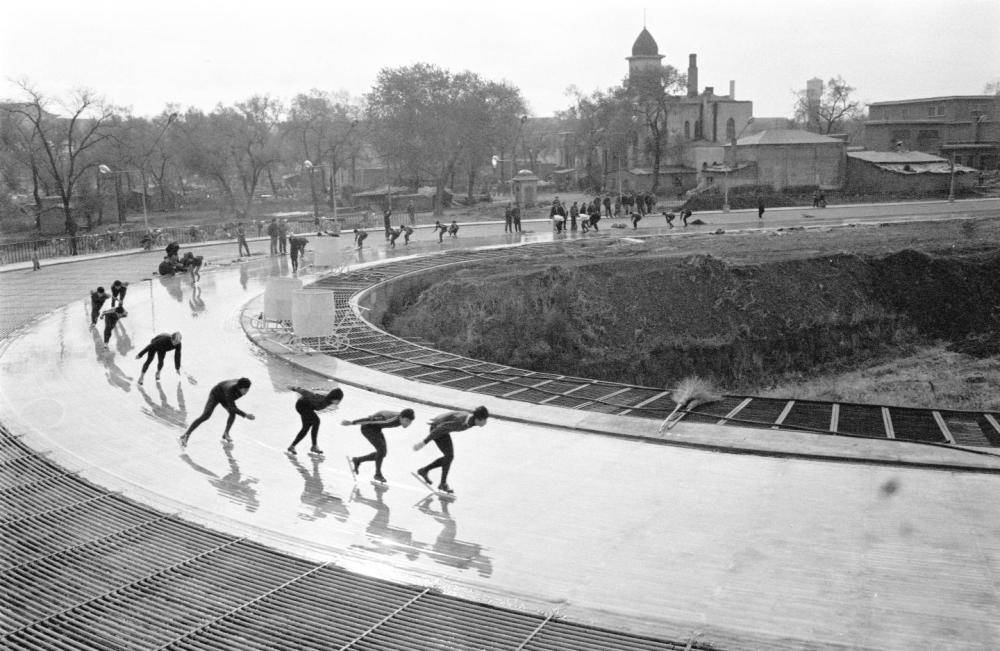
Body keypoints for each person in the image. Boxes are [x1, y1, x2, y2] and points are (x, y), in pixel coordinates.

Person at [412, 406, 489, 494]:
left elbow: (453, 414)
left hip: (443, 430)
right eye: (485, 420)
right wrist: (423, 442)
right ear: (478, 419)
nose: (486, 422)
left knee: (449, 457)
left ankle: (425, 471)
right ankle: (442, 483)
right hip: (436, 429)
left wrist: (441, 419)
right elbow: (439, 429)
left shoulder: (471, 420)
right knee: (449, 456)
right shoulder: (461, 422)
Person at [344, 408, 415, 483]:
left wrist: (375, 415)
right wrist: (352, 422)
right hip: (367, 428)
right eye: (407, 421)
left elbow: (384, 412)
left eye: (410, 422)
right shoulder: (389, 419)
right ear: (401, 417)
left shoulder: (401, 416)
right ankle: (377, 474)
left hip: (376, 429)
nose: (408, 424)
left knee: (382, 453)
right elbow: (369, 420)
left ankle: (358, 460)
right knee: (381, 451)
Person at [180, 377, 255, 447]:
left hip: (225, 397)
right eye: (245, 390)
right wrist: (245, 415)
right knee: (206, 415)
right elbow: (232, 407)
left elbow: (232, 406)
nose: (246, 392)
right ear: (239, 387)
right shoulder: (230, 390)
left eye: (248, 390)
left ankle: (226, 433)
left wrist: (242, 413)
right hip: (216, 394)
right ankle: (186, 435)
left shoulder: (241, 385)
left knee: (232, 413)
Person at [286, 386, 344, 456]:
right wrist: (295, 389)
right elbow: (308, 393)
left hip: (307, 407)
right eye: (339, 399)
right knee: (316, 421)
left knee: (306, 427)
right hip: (302, 405)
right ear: (334, 398)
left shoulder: (329, 401)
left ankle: (292, 446)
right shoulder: (322, 399)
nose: (339, 401)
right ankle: (314, 446)